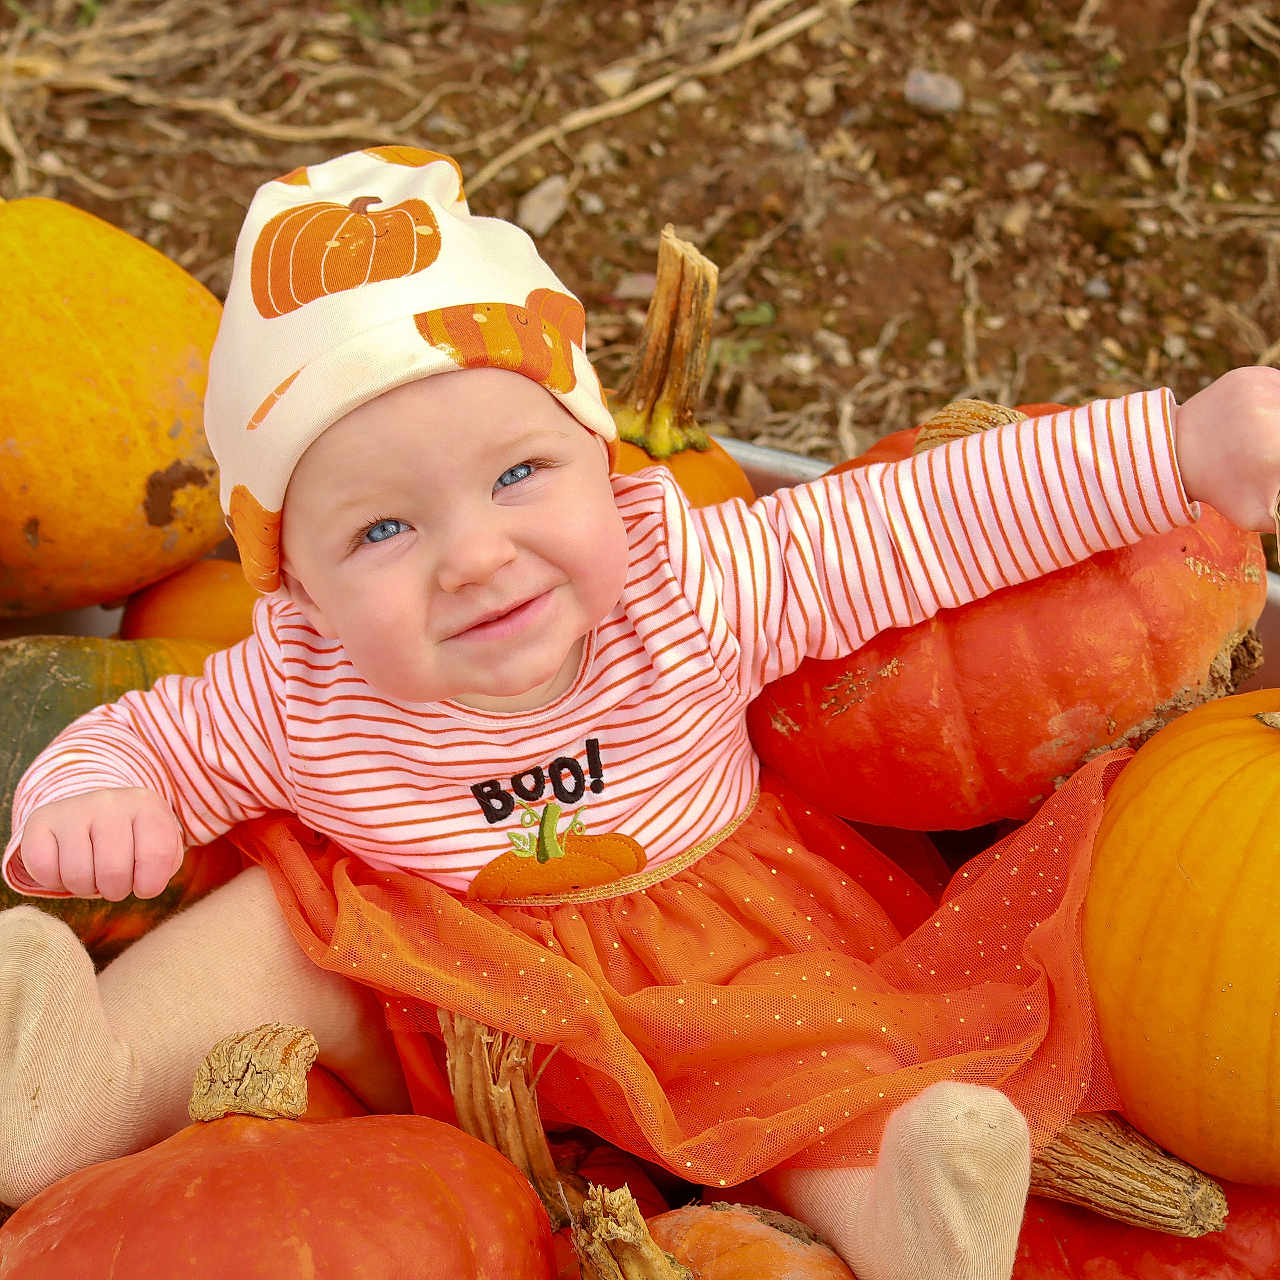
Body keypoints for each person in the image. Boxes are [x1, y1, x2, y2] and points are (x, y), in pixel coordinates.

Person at [2, 144, 1278, 1280]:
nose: (477, 556)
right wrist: (85, 797)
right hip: (416, 965)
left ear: (598, 460)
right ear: (298, 580)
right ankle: (77, 1079)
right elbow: (142, 734)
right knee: (261, 935)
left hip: (701, 960)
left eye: (518, 474)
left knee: (808, 1079)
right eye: (384, 528)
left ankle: (904, 1204)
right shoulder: (294, 680)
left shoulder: (693, 579)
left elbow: (926, 519)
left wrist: (1169, 450)